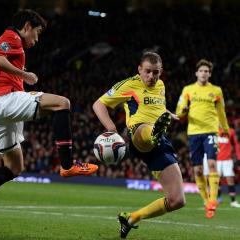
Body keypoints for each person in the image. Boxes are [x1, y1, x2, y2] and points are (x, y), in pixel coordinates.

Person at [0, 9, 98, 227]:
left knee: (14, 168)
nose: (37, 37)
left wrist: (0, 62)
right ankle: (68, 165)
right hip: (5, 100)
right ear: (26, 27)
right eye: (37, 32)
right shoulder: (12, 36)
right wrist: (24, 75)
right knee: (63, 103)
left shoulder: (4, 41)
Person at [93, 52, 185, 239]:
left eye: (156, 72)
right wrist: (111, 128)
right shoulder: (128, 85)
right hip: (138, 135)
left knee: (177, 200)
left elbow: (155, 107)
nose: (152, 77)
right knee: (146, 130)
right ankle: (153, 134)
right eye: (148, 72)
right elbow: (99, 104)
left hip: (160, 143)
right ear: (139, 70)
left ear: (161, 72)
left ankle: (132, 218)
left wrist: (169, 113)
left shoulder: (160, 85)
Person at [176, 59, 229, 218]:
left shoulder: (216, 91)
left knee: (212, 164)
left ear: (210, 74)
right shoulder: (188, 89)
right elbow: (179, 111)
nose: (204, 73)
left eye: (207, 71)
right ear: (196, 73)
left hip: (211, 131)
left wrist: (225, 128)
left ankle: (213, 200)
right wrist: (183, 111)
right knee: (198, 170)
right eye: (201, 71)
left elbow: (221, 111)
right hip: (193, 132)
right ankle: (206, 201)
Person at [203, 127, 240, 208]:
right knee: (216, 180)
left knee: (230, 179)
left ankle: (233, 201)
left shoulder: (231, 131)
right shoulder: (213, 131)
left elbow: (236, 144)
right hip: (216, 159)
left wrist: (238, 157)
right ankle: (217, 199)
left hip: (227, 160)